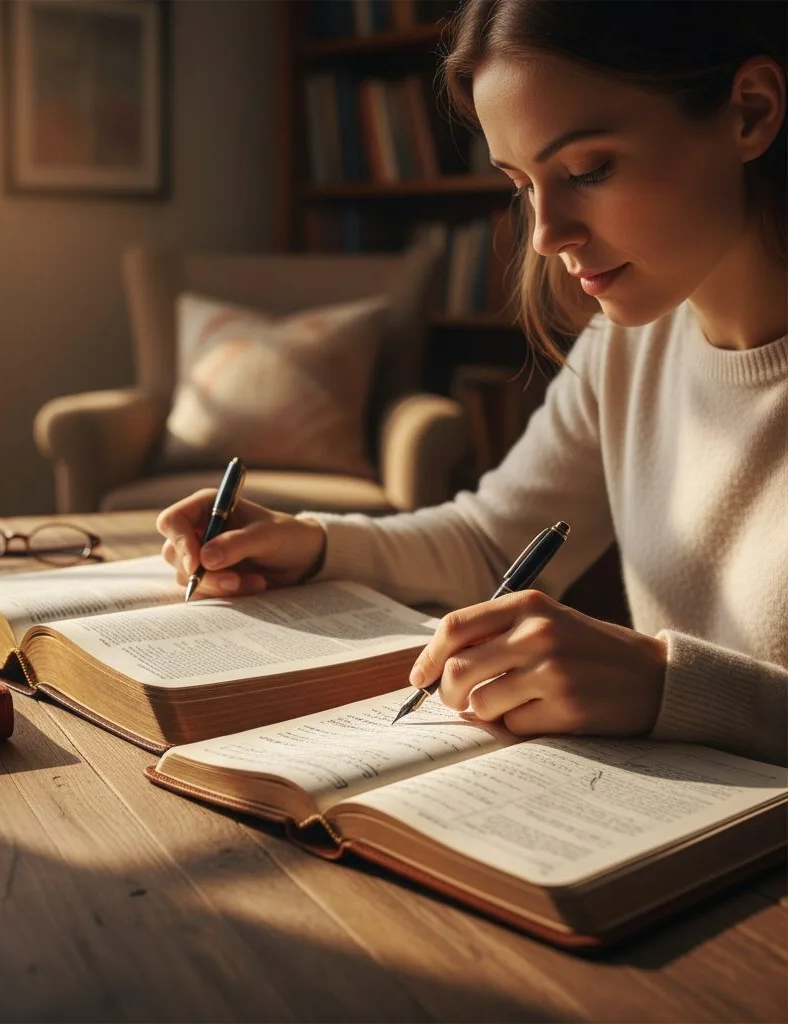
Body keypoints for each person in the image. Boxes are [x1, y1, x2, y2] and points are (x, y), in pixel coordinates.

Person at [156, 1, 787, 766]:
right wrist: (311, 544)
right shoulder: (627, 347)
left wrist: (665, 686)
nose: (548, 235)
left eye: (589, 168)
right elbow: (493, 541)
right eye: (522, 183)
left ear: (750, 113)